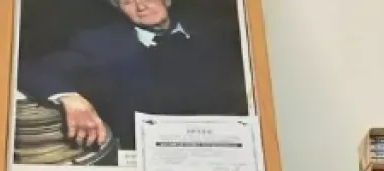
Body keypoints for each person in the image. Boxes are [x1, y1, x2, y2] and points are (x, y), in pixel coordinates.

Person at [18, 0, 251, 154]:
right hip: (147, 158)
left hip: (225, 151)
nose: (141, 6)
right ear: (119, 9)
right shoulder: (100, 44)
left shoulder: (218, 36)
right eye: (128, 1)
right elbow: (30, 68)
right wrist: (69, 97)